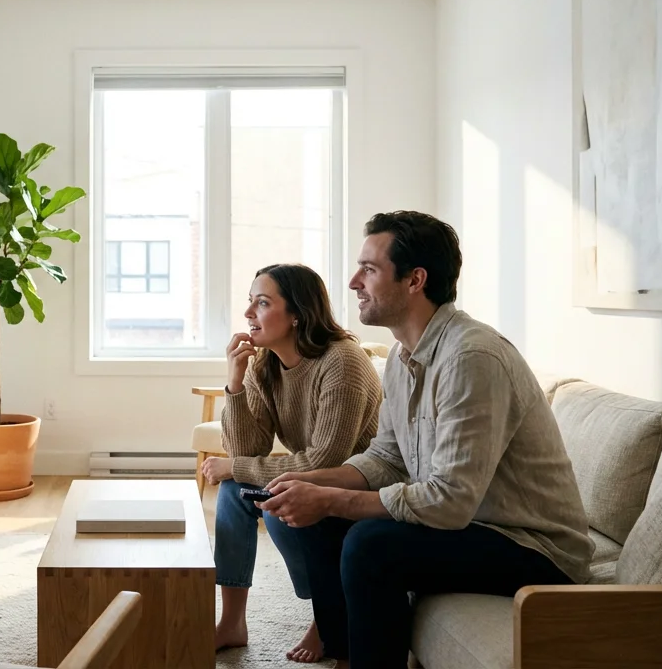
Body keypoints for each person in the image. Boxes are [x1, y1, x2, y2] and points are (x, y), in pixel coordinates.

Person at [258, 212, 592, 669]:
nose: (354, 281)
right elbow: (387, 458)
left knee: (371, 544)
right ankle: (346, 656)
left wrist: (331, 499)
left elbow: (449, 500)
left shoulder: (471, 357)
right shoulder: (403, 356)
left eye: (370, 269)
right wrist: (308, 482)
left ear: (415, 280)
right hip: (473, 526)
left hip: (533, 548)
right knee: (320, 521)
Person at [199, 263, 383, 663]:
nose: (249, 313)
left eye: (262, 303)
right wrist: (234, 383)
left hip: (356, 489)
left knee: (263, 494)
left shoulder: (343, 362)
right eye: (250, 302)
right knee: (233, 494)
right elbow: (247, 448)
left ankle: (325, 616)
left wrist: (236, 468)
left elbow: (325, 460)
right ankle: (232, 621)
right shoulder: (265, 364)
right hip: (312, 481)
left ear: (298, 312)